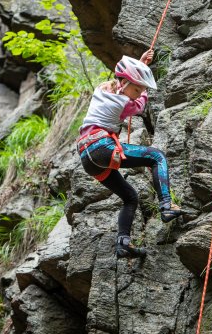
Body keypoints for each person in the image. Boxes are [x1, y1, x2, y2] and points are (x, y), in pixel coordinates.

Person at [77, 49, 184, 258]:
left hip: (87, 156)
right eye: (137, 88)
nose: (139, 92)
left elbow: (127, 82)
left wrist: (142, 65)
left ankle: (123, 244)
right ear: (125, 84)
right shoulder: (123, 103)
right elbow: (141, 105)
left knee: (130, 197)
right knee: (156, 156)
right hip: (101, 148)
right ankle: (166, 204)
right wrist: (143, 86)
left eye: (139, 89)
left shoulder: (103, 89)